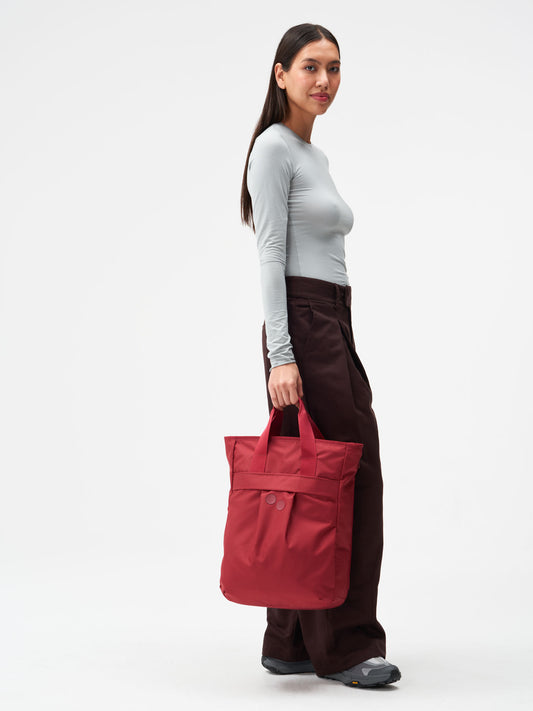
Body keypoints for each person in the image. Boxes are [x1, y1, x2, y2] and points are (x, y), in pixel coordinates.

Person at [240, 23, 401, 688]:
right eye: (309, 66)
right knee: (350, 476)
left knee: (307, 478)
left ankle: (289, 640)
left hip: (330, 317)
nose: (324, 80)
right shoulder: (273, 148)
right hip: (304, 322)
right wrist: (282, 354)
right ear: (280, 74)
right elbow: (269, 255)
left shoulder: (312, 155)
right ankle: (346, 647)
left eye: (333, 67)